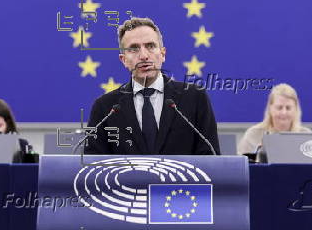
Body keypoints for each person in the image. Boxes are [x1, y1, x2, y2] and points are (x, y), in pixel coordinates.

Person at [85, 17, 220, 155]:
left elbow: (211, 159)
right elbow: (92, 167)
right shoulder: (105, 107)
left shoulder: (195, 98)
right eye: (134, 48)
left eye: (150, 46)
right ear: (123, 59)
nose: (143, 56)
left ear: (162, 54)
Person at [237, 83, 312, 155]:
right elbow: (241, 166)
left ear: (296, 109)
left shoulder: (307, 136)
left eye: (288, 108)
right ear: (270, 108)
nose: (284, 112)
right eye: (279, 108)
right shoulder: (253, 135)